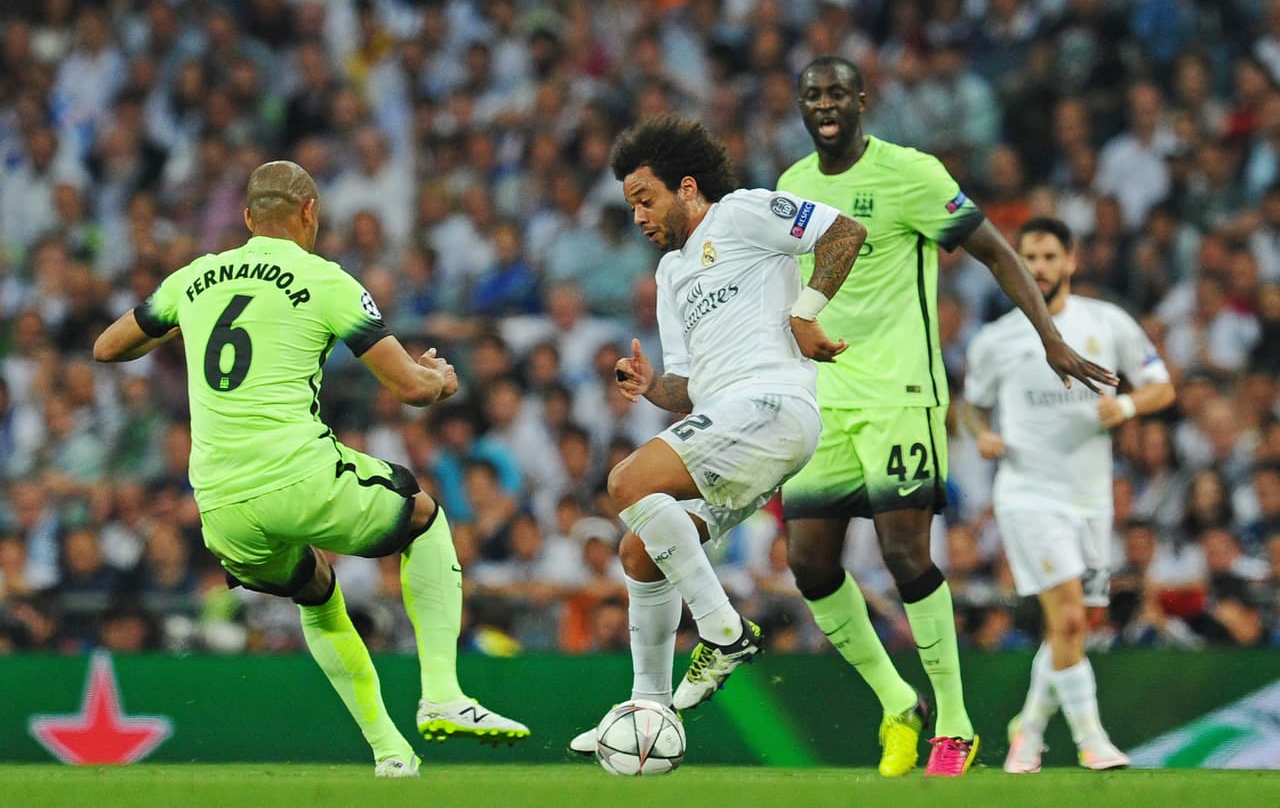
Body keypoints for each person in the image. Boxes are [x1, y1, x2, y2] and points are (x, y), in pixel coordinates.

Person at [92, 161, 528, 777]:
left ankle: (390, 752)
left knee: (317, 590)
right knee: (424, 518)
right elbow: (407, 389)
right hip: (299, 476)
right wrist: (440, 382)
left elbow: (107, 347)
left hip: (219, 508)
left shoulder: (193, 279)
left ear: (247, 219)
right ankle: (443, 695)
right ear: (309, 214)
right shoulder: (327, 280)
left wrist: (173, 329)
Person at [776, 56, 1119, 778]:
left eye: (838, 92)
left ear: (863, 100)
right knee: (807, 565)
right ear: (801, 107)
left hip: (902, 395)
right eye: (813, 95)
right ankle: (898, 700)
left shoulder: (912, 174)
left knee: (904, 556)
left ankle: (956, 726)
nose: (825, 104)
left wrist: (1049, 337)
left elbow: (995, 251)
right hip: (825, 401)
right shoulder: (792, 187)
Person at [568, 115, 866, 753]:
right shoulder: (670, 276)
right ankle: (647, 711)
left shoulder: (741, 214)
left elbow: (844, 231)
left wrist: (805, 312)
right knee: (639, 553)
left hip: (774, 402)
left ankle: (725, 632)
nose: (639, 217)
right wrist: (651, 386)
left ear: (688, 186)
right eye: (631, 207)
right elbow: (688, 389)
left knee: (626, 482)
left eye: (646, 199)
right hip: (735, 419)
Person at [963, 216, 1175, 772]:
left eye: (1050, 257)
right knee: (1070, 620)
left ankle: (1027, 731)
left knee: (1072, 626)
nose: (1039, 268)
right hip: (1028, 494)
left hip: (1091, 498)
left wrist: (1126, 406)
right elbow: (971, 405)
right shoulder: (997, 338)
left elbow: (1162, 385)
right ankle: (1090, 739)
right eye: (1029, 257)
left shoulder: (1107, 322)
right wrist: (982, 434)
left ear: (1071, 261)